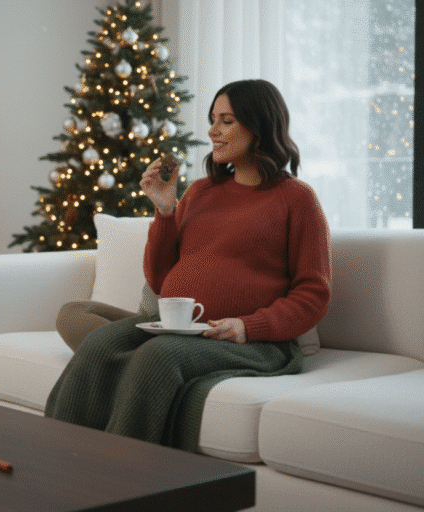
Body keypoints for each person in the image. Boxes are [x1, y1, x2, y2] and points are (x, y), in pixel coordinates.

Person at [45, 79, 332, 452]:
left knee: (158, 356)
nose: (212, 131)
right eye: (213, 119)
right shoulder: (200, 192)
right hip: (180, 328)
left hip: (252, 342)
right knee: (100, 341)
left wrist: (248, 326)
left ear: (258, 126)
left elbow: (314, 293)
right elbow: (162, 280)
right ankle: (52, 460)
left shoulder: (297, 199)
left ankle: (117, 479)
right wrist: (165, 211)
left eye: (226, 121)